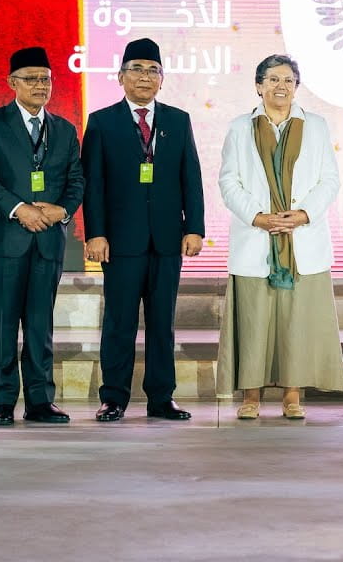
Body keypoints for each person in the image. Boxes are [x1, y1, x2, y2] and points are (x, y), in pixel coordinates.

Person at [216, 54, 343, 419]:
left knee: (296, 324)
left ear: (296, 86)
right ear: (258, 86)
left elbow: (330, 179)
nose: (280, 86)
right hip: (255, 237)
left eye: (287, 80)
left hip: (302, 240)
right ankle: (251, 396)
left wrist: (302, 215)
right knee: (254, 322)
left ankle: (293, 395)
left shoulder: (317, 126)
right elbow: (229, 181)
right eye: (272, 79)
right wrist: (258, 218)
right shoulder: (240, 127)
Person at [82, 38, 205, 422]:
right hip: (119, 242)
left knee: (161, 323)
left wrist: (195, 227)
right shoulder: (102, 121)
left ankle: (161, 398)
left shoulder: (178, 119)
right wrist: (95, 233)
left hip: (168, 238)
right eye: (136, 69)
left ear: (162, 79)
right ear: (120, 77)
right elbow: (93, 183)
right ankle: (113, 397)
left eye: (153, 70)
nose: (145, 77)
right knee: (119, 321)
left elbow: (191, 178)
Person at [0, 46, 84, 426]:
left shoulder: (66, 129)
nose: (41, 86)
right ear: (12, 83)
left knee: (41, 323)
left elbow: (76, 180)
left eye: (46, 79)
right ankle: (2, 399)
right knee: (3, 323)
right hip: (5, 237)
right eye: (32, 79)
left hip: (48, 241)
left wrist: (62, 210)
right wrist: (20, 209)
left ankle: (40, 399)